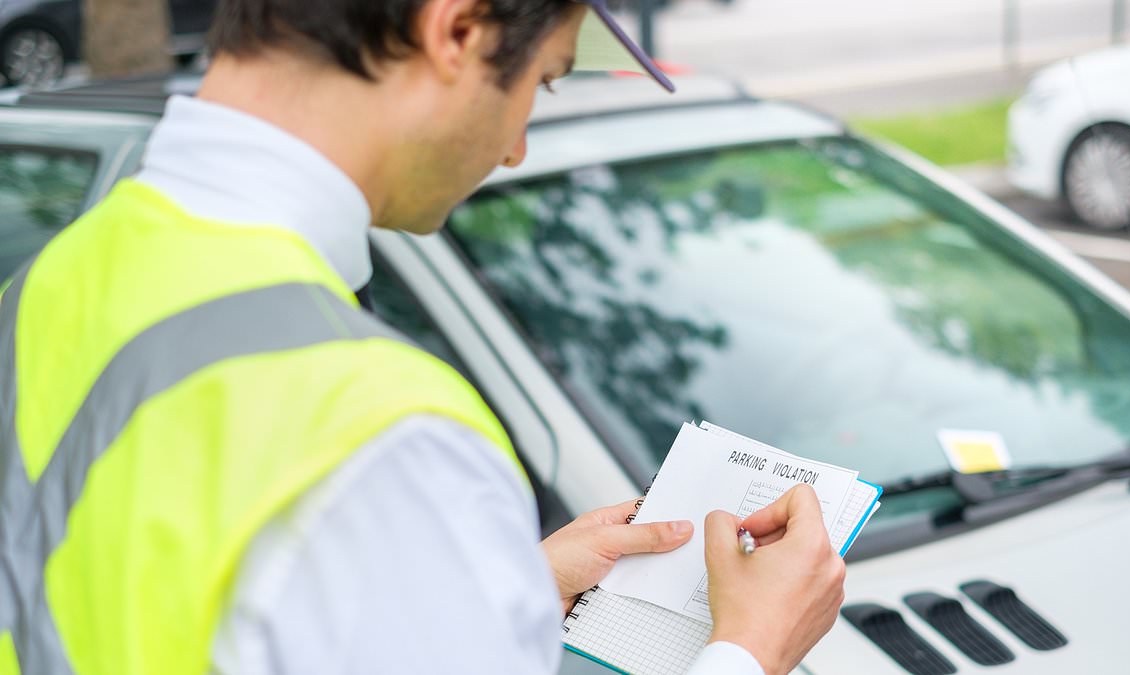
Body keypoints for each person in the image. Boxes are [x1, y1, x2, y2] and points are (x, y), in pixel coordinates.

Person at [0, 1, 845, 673]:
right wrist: (751, 650)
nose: (515, 148)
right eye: (541, 81)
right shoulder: (388, 433)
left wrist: (491, 591)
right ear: (459, 29)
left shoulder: (48, 282)